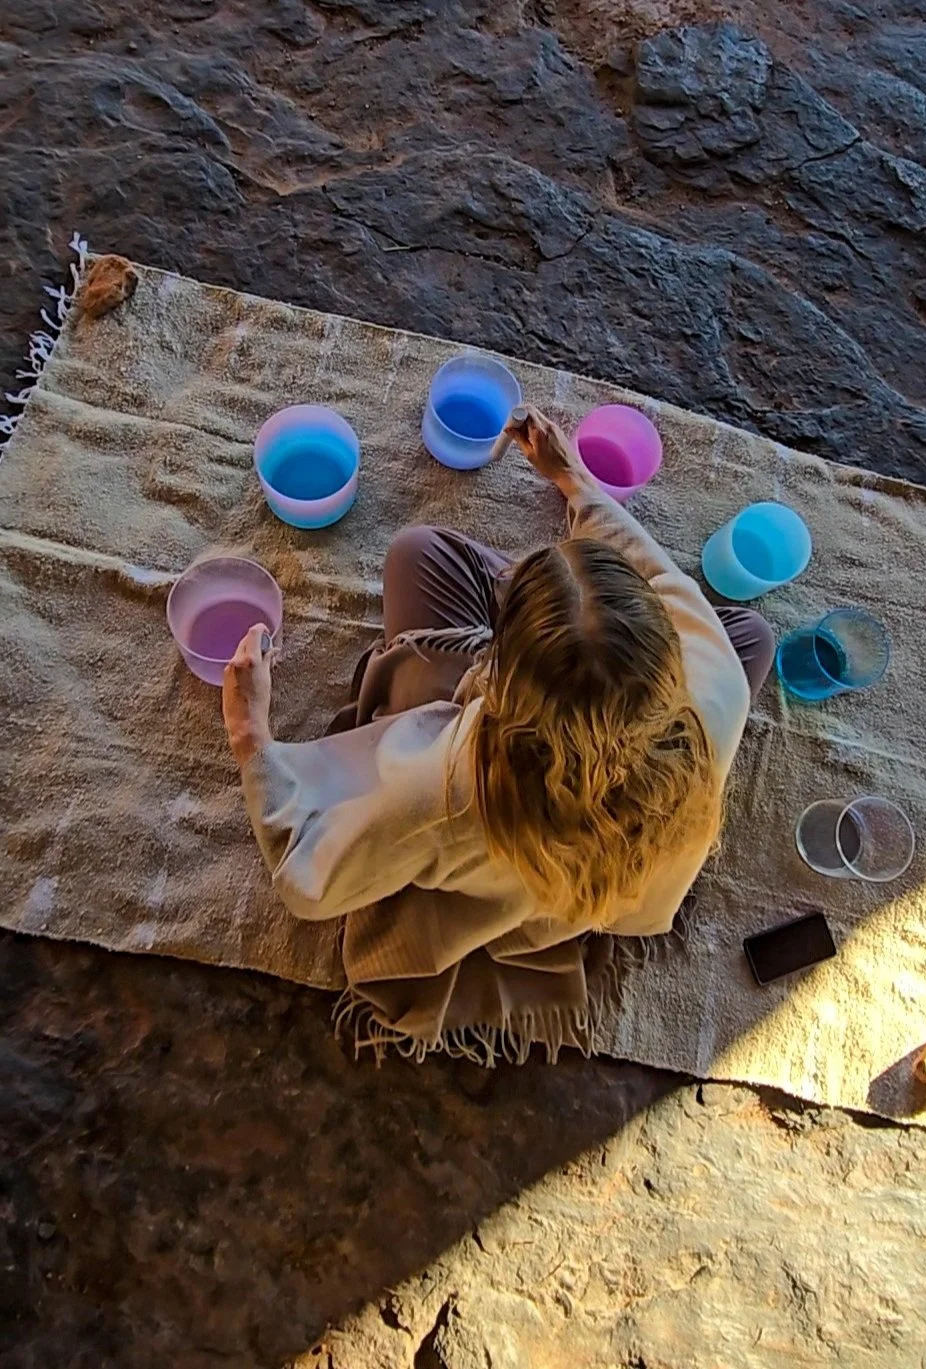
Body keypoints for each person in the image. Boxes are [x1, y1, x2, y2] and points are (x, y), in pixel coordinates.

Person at [224, 408, 775, 1063]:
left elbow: (308, 882)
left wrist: (249, 733)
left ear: (503, 679)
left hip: (515, 854)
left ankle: (536, 621)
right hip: (623, 883)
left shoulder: (453, 786)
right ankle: (578, 617)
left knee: (419, 554)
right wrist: (578, 486)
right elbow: (667, 583)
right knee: (748, 635)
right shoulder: (714, 685)